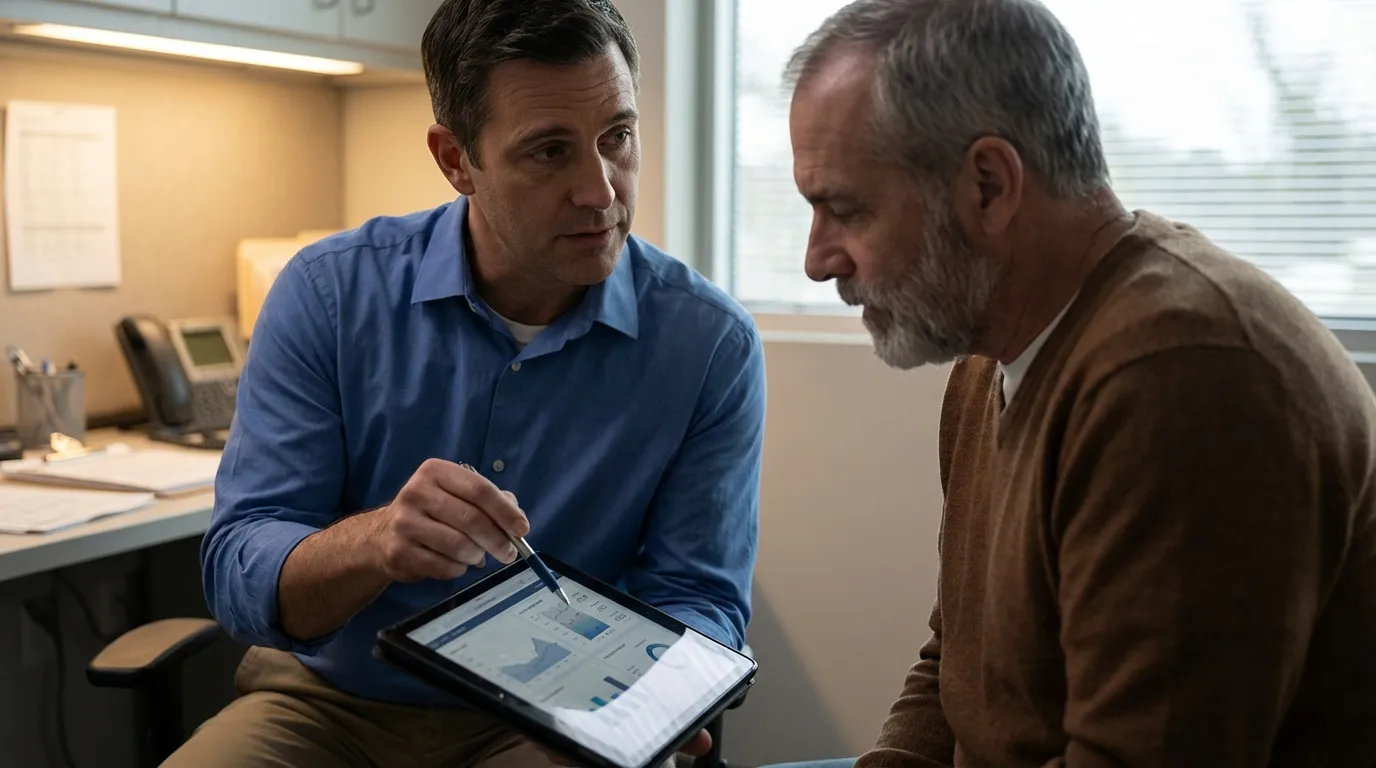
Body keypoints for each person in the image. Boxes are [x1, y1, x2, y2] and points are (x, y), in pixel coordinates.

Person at [775, 0, 1376, 766]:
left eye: (844, 210)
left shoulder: (1184, 377)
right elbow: (955, 669)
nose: (817, 259)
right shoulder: (989, 355)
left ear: (989, 185)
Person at [165, 1, 766, 766]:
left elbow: (700, 595)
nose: (601, 190)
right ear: (455, 160)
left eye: (617, 136)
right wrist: (377, 542)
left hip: (556, 720)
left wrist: (665, 697)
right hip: (329, 708)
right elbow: (239, 570)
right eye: (549, 151)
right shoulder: (326, 295)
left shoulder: (709, 344)